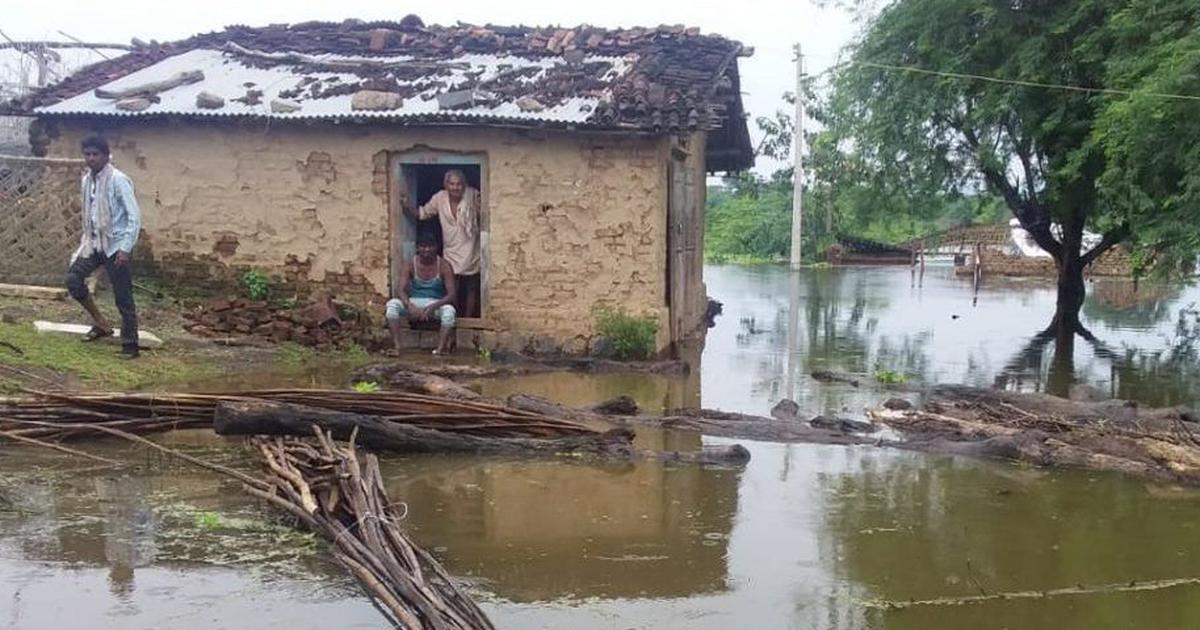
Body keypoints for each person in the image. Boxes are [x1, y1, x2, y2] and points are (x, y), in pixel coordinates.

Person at [65, 135, 141, 359]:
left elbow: (134, 217)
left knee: (123, 297)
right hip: (95, 244)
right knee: (73, 280)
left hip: (116, 245)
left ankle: (130, 345)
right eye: (87, 154)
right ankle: (101, 324)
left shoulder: (118, 180)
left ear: (106, 156)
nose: (91, 158)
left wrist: (126, 248)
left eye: (95, 154)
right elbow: (90, 216)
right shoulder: (87, 180)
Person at [402, 169, 481, 318]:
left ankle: (469, 317)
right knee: (453, 285)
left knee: (471, 284)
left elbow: (484, 211)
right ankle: (454, 316)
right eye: (452, 184)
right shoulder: (440, 198)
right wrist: (406, 207)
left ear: (464, 185)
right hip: (451, 247)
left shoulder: (473, 194)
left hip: (471, 245)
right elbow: (423, 213)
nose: (455, 187)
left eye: (459, 184)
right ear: (446, 185)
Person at [385, 234, 458, 355]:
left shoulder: (444, 265)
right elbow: (401, 290)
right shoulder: (409, 264)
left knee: (449, 312)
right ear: (417, 248)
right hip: (414, 302)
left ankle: (440, 349)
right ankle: (397, 346)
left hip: (436, 303)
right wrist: (409, 306)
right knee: (392, 305)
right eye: (423, 246)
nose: (427, 250)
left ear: (436, 247)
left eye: (430, 246)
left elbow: (451, 295)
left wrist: (433, 307)